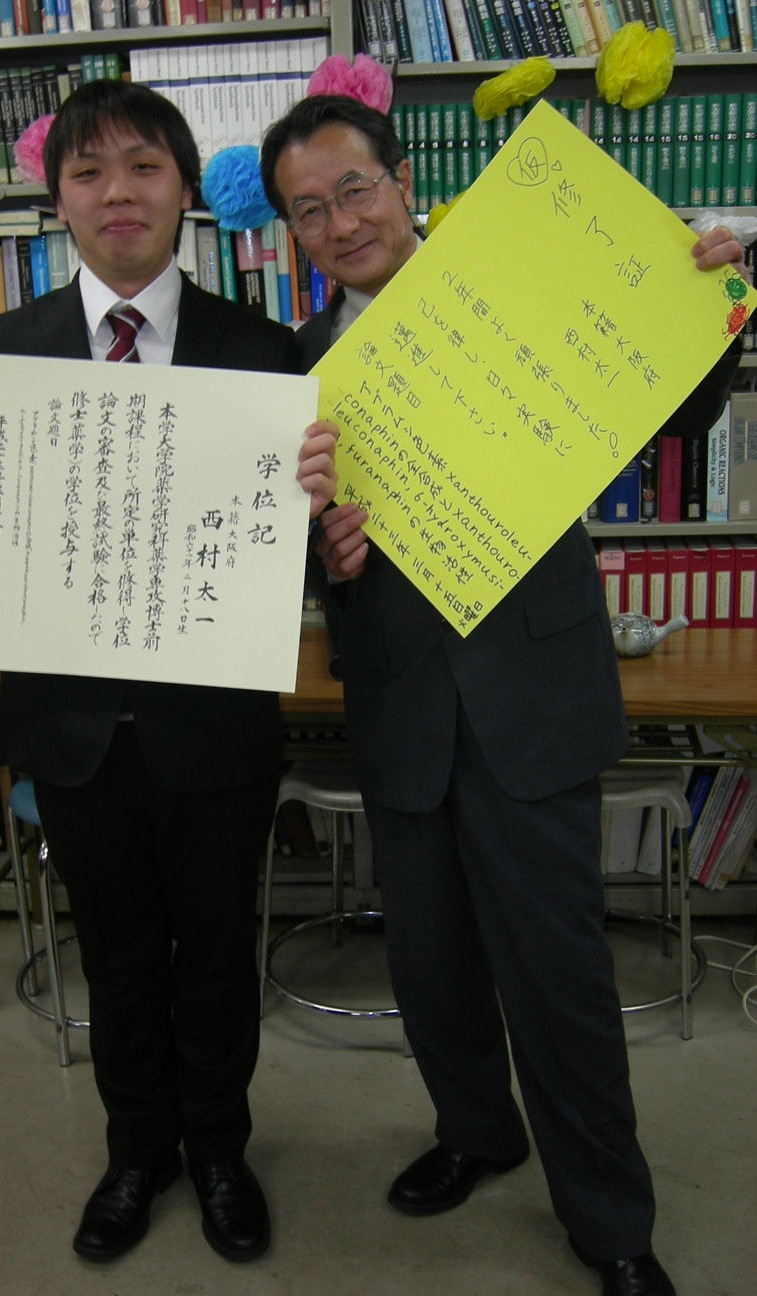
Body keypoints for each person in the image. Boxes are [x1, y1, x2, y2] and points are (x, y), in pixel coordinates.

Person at [261, 91, 748, 1296]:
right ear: (291, 232)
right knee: (429, 965)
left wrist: (706, 296)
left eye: (355, 190)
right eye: (308, 211)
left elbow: (678, 404)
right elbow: (283, 552)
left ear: (403, 179)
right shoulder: (299, 370)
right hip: (400, 704)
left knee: (558, 974)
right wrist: (326, 554)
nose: (340, 223)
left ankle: (611, 1220)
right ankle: (477, 1131)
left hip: (528, 688)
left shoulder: (524, 277)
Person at [0, 79, 337, 1268]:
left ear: (187, 192)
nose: (118, 193)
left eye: (144, 167)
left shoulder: (264, 352)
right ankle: (135, 1154)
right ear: (56, 200)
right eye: (88, 172)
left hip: (213, 728)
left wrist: (318, 502)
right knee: (114, 958)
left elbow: (295, 565)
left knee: (215, 956)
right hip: (71, 730)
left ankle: (219, 1152)